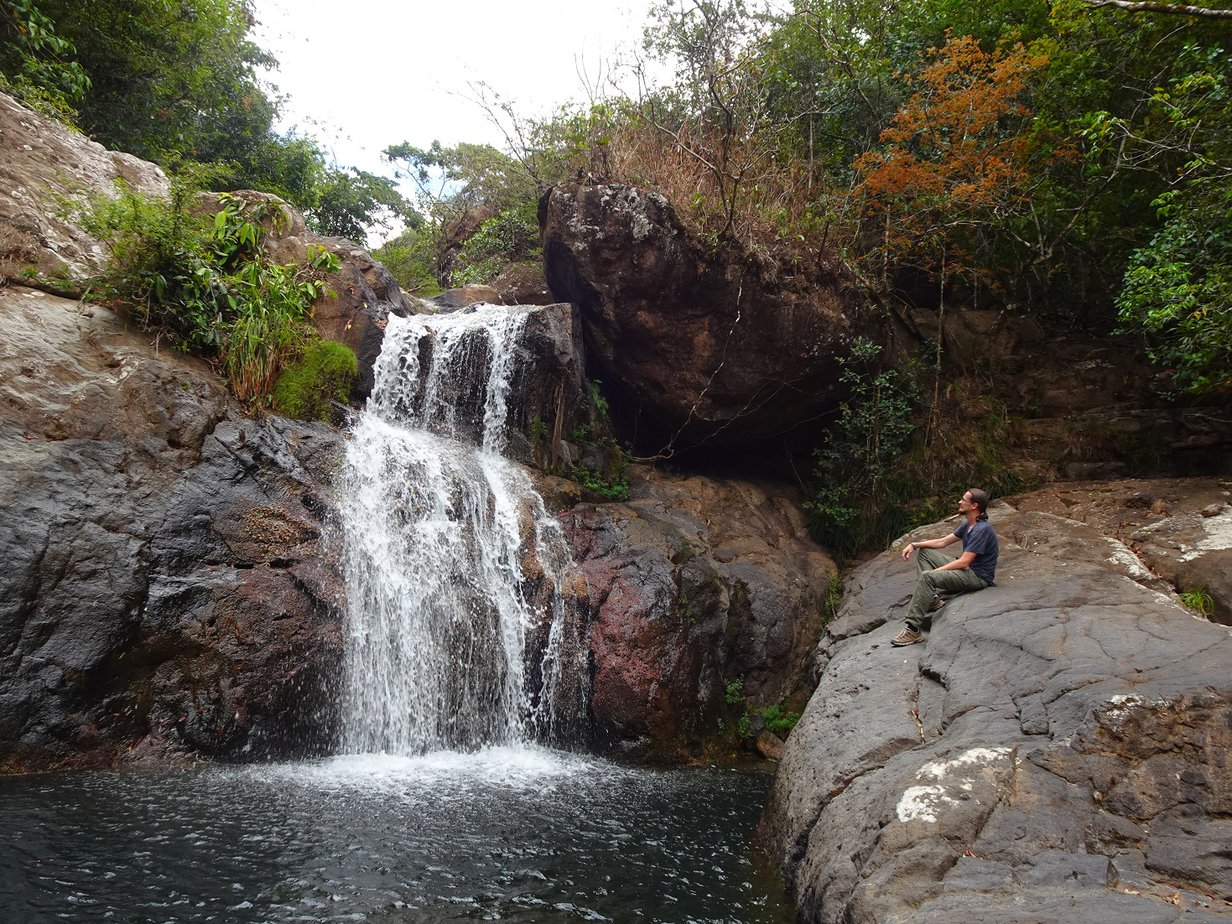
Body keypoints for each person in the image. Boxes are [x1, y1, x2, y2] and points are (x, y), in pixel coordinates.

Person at [891, 488, 999, 647]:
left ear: (974, 505)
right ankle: (933, 600)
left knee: (928, 577)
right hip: (967, 570)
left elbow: (964, 562)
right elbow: (943, 542)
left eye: (964, 500)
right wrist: (915, 545)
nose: (960, 502)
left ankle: (913, 630)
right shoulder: (969, 525)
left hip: (978, 577)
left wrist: (934, 574)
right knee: (925, 553)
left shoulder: (981, 530)